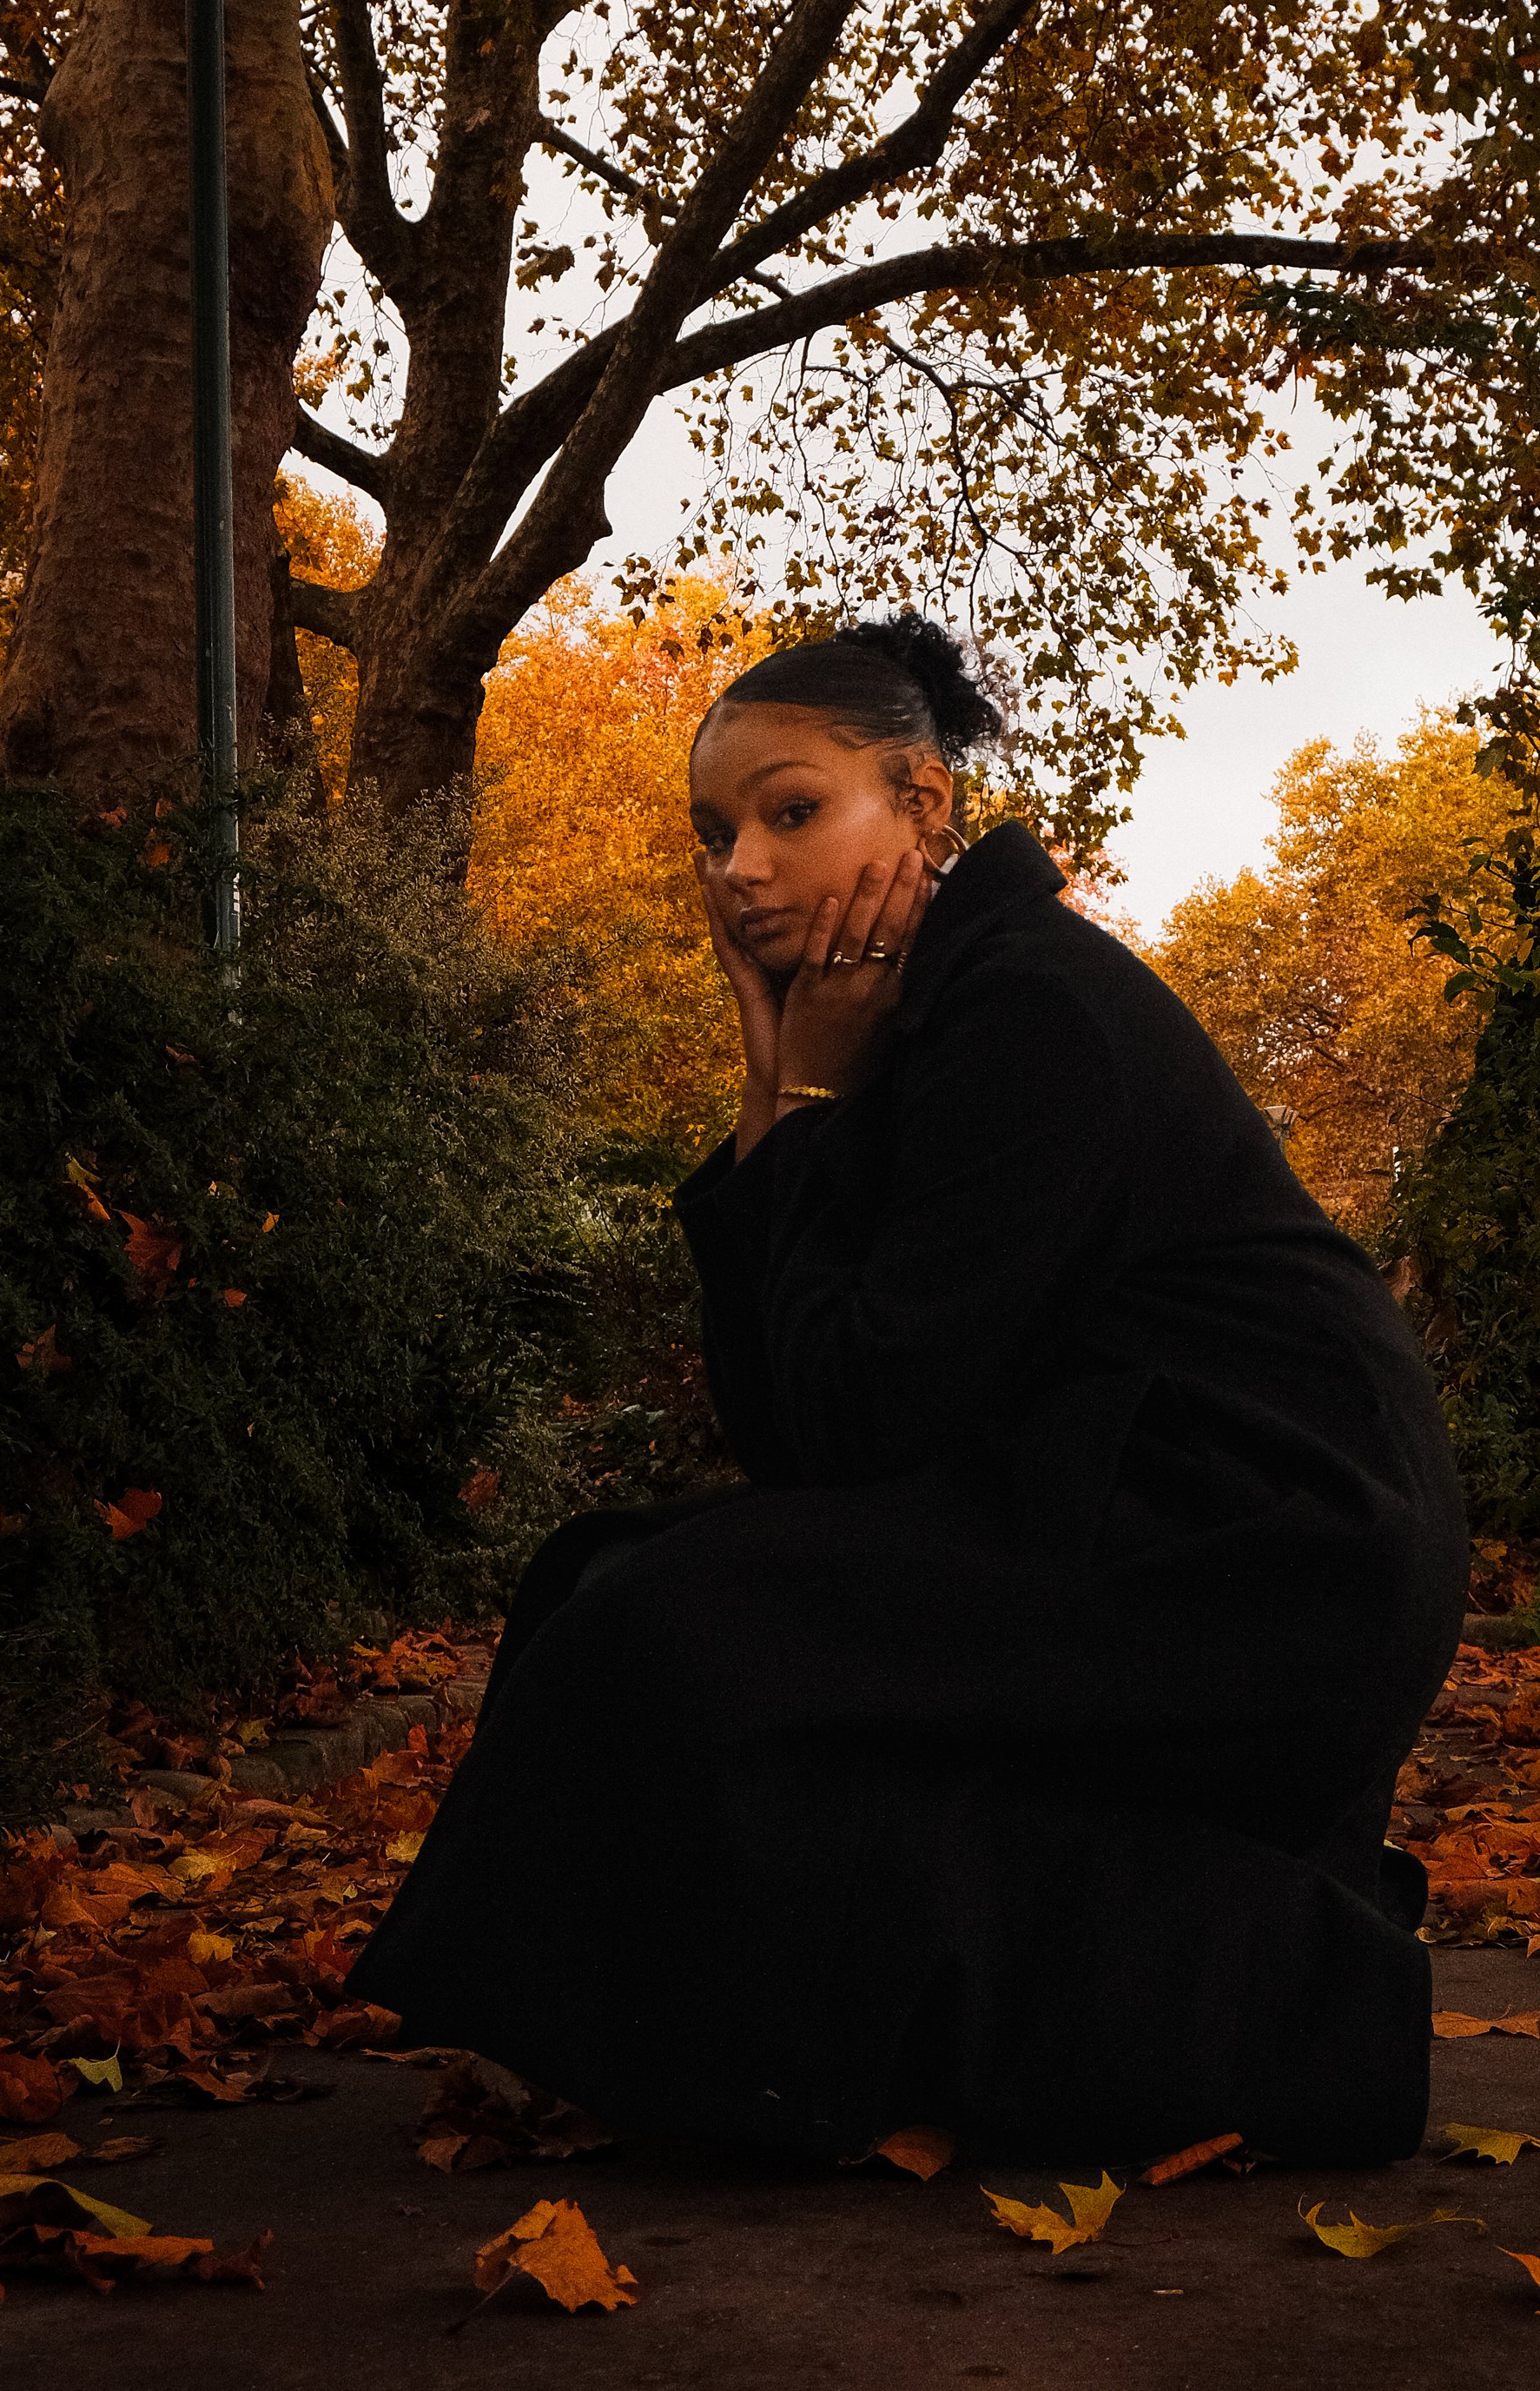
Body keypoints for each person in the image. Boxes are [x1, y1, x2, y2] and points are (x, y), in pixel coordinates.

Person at [350, 613, 1467, 2165]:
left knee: (675, 1623)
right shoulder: (914, 1019)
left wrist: (812, 1097)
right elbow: (796, 1435)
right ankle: (686, 2042)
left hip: (1261, 1541)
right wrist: (771, 1099)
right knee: (616, 1575)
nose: (742, 866)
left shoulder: (1026, 1006)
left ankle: (1299, 2004)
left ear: (926, 806)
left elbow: (865, 1431)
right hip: (1118, 1500)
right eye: (717, 830)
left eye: (792, 811)